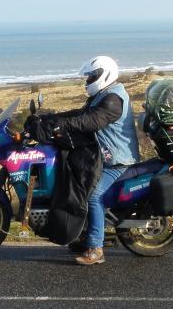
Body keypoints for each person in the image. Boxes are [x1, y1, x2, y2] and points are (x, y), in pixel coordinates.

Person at [49, 55, 140, 265]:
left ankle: (96, 248)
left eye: (92, 77)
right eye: (89, 77)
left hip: (118, 160)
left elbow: (90, 121)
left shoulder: (113, 99)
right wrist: (52, 118)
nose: (88, 81)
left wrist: (63, 126)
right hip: (104, 156)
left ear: (104, 75)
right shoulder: (102, 95)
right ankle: (83, 235)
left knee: (93, 195)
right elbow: (80, 114)